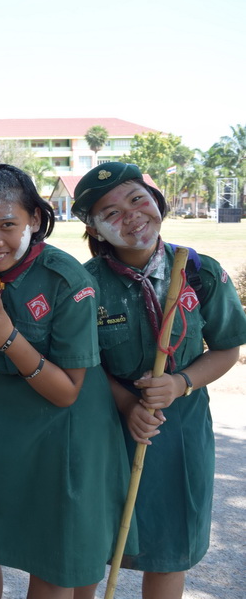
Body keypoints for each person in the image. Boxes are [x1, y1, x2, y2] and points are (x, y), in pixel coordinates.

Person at [0, 164, 131, 598]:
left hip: (62, 426)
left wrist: (9, 340)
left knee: (52, 552)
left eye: (8, 225)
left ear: (34, 219)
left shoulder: (67, 280)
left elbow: (68, 391)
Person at [72, 162, 246, 599]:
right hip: (106, 427)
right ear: (93, 230)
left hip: (180, 429)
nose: (131, 216)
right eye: (111, 213)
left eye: (138, 199)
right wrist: (127, 404)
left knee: (172, 548)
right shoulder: (84, 285)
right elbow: (81, 364)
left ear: (157, 202)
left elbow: (227, 348)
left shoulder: (201, 272)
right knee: (90, 545)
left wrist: (181, 382)